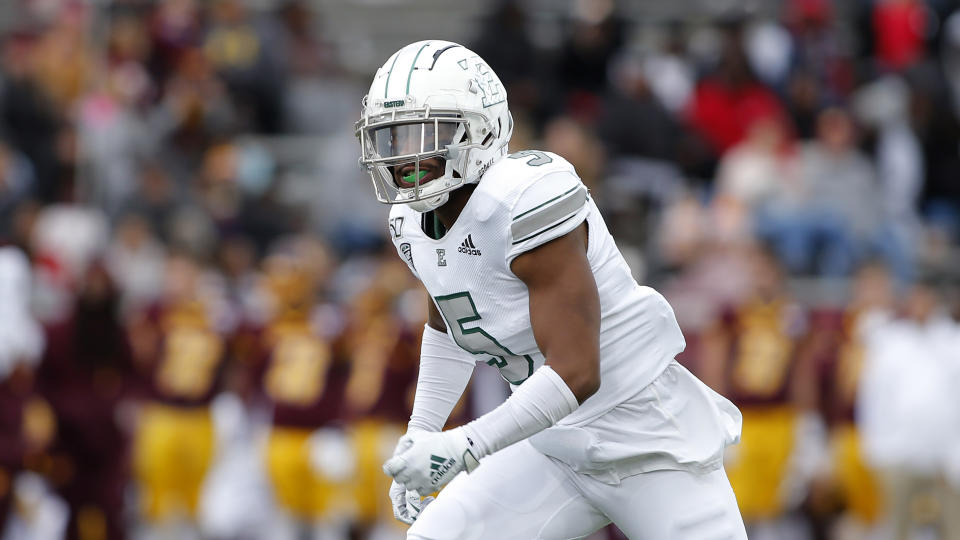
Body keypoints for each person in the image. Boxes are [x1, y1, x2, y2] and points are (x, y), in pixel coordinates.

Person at [355, 40, 747, 539]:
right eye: (394, 139)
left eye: (425, 136)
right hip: (550, 445)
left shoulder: (525, 197)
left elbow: (578, 370)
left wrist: (465, 445)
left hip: (647, 440)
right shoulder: (411, 223)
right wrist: (423, 432)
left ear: (480, 128)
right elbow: (449, 325)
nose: (407, 158)